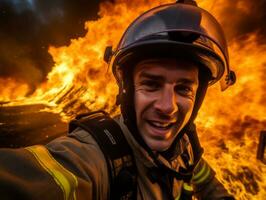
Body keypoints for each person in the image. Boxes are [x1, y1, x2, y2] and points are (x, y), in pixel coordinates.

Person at [0, 0, 236, 199]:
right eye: (151, 84)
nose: (167, 106)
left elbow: (206, 182)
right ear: (127, 88)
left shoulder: (185, 148)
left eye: (184, 89)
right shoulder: (95, 158)